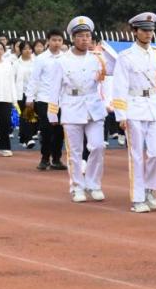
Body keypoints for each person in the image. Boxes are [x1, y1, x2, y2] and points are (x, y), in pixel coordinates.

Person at [44, 17, 108, 202]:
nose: (85, 39)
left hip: (93, 106)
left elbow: (114, 69)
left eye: (87, 36)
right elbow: (54, 88)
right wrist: (52, 112)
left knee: (97, 146)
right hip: (72, 106)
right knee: (75, 151)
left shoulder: (97, 58)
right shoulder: (62, 61)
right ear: (73, 38)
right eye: (80, 36)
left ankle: (94, 184)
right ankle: (77, 186)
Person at [112, 12, 156, 213]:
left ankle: (149, 189)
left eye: (151, 30)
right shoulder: (125, 57)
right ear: (135, 32)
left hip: (153, 106)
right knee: (136, 155)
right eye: (144, 30)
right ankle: (137, 198)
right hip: (134, 107)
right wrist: (121, 115)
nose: (148, 34)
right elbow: (119, 86)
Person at [24, 28, 66, 170]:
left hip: (61, 100)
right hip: (44, 99)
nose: (57, 43)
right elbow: (34, 79)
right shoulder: (41, 58)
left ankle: (56, 159)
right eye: (54, 40)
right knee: (46, 130)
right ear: (48, 41)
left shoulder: (66, 58)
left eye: (59, 40)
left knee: (59, 131)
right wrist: (30, 97)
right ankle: (45, 158)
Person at [0, 41, 16, 157]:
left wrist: (14, 99)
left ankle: (4, 147)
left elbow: (12, 82)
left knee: (5, 123)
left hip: (5, 98)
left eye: (1, 49)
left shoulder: (8, 64)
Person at [12, 40, 37, 148]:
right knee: (26, 114)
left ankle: (23, 138)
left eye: (30, 48)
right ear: (21, 50)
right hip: (21, 93)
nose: (28, 51)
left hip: (33, 92)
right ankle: (29, 139)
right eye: (25, 49)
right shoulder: (16, 64)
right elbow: (12, 79)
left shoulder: (36, 62)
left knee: (28, 116)